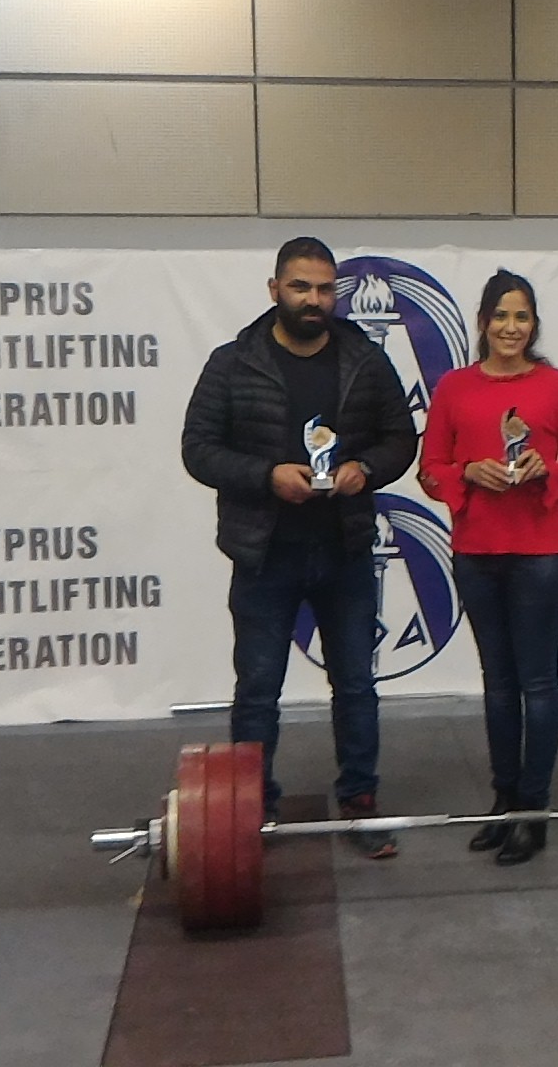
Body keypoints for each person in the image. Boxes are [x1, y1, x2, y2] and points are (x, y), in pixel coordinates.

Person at [180, 236, 418, 859]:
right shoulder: (233, 362)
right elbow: (198, 449)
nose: (314, 300)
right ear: (275, 290)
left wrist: (367, 467)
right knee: (258, 690)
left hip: (345, 550)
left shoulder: (366, 359)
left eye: (324, 289)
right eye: (300, 287)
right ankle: (251, 810)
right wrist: (266, 476)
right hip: (265, 554)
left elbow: (401, 438)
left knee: (357, 686)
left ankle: (360, 802)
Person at [418, 270, 558, 865]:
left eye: (521, 317)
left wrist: (549, 469)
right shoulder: (453, 388)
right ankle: (503, 800)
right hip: (477, 553)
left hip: (541, 555)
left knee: (538, 682)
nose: (510, 327)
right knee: (497, 684)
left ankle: (533, 810)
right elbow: (430, 469)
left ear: (534, 325)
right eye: (500, 316)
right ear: (482, 323)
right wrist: (467, 472)